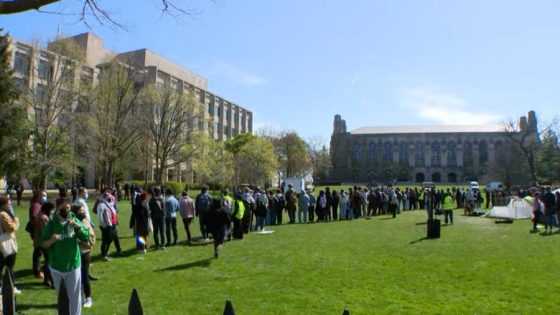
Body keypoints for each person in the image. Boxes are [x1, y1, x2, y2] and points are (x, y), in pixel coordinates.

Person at [40, 199, 90, 315]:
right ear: (57, 209)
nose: (66, 211)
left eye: (68, 208)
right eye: (63, 209)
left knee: (75, 298)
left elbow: (86, 237)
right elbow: (42, 244)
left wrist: (77, 227)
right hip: (56, 266)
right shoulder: (52, 223)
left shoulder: (73, 219)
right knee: (62, 297)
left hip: (73, 264)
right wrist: (51, 240)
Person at [72, 204, 95, 308]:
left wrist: (79, 240)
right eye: (80, 211)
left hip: (84, 253)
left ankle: (88, 298)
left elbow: (91, 240)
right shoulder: (71, 222)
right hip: (72, 254)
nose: (83, 213)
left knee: (84, 276)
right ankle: (78, 298)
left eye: (83, 211)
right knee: (76, 278)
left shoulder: (85, 222)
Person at [0, 197, 21, 294]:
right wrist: (16, 221)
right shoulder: (3, 214)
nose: (10, 206)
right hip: (6, 243)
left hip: (2, 244)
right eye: (8, 204)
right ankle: (11, 287)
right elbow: (11, 227)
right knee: (10, 267)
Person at [34, 201, 54, 288]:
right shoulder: (43, 217)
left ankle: (47, 279)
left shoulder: (41, 215)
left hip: (39, 241)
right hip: (43, 242)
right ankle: (48, 279)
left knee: (46, 260)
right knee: (48, 260)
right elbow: (45, 231)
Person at [28, 190, 46, 279]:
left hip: (38, 232)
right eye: (43, 195)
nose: (45, 197)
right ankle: (38, 271)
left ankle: (37, 270)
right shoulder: (36, 205)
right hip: (37, 233)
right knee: (40, 252)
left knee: (37, 252)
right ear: (38, 196)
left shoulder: (37, 204)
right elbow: (34, 218)